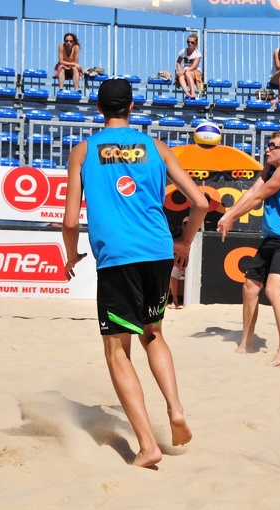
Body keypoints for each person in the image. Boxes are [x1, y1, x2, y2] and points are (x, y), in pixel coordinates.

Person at [62, 78, 208, 468]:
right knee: (154, 333)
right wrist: (184, 243)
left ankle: (148, 446)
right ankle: (175, 409)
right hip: (158, 251)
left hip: (118, 256)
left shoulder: (82, 151)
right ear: (131, 108)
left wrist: (71, 255)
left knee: (116, 350)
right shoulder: (157, 147)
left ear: (98, 110)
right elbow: (200, 203)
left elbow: (71, 220)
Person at [216, 131, 280, 367]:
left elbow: (259, 198)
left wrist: (231, 217)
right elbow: (252, 192)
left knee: (273, 290)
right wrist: (229, 213)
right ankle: (247, 343)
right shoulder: (271, 169)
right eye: (267, 145)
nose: (267, 149)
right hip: (271, 238)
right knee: (249, 287)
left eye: (272, 146)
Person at [168, 217, 189, 309]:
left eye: (189, 223)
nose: (187, 225)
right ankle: (174, 300)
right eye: (185, 224)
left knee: (171, 273)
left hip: (192, 267)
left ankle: (174, 300)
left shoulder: (198, 236)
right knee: (170, 273)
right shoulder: (177, 237)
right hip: (179, 265)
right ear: (182, 226)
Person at [175, 33, 202, 99]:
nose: (190, 43)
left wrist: (183, 71)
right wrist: (180, 70)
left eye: (192, 42)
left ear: (195, 44)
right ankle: (187, 93)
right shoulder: (183, 51)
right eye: (188, 42)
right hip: (185, 71)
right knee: (180, 76)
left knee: (187, 73)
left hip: (195, 72)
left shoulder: (197, 54)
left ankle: (193, 92)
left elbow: (193, 66)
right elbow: (178, 62)